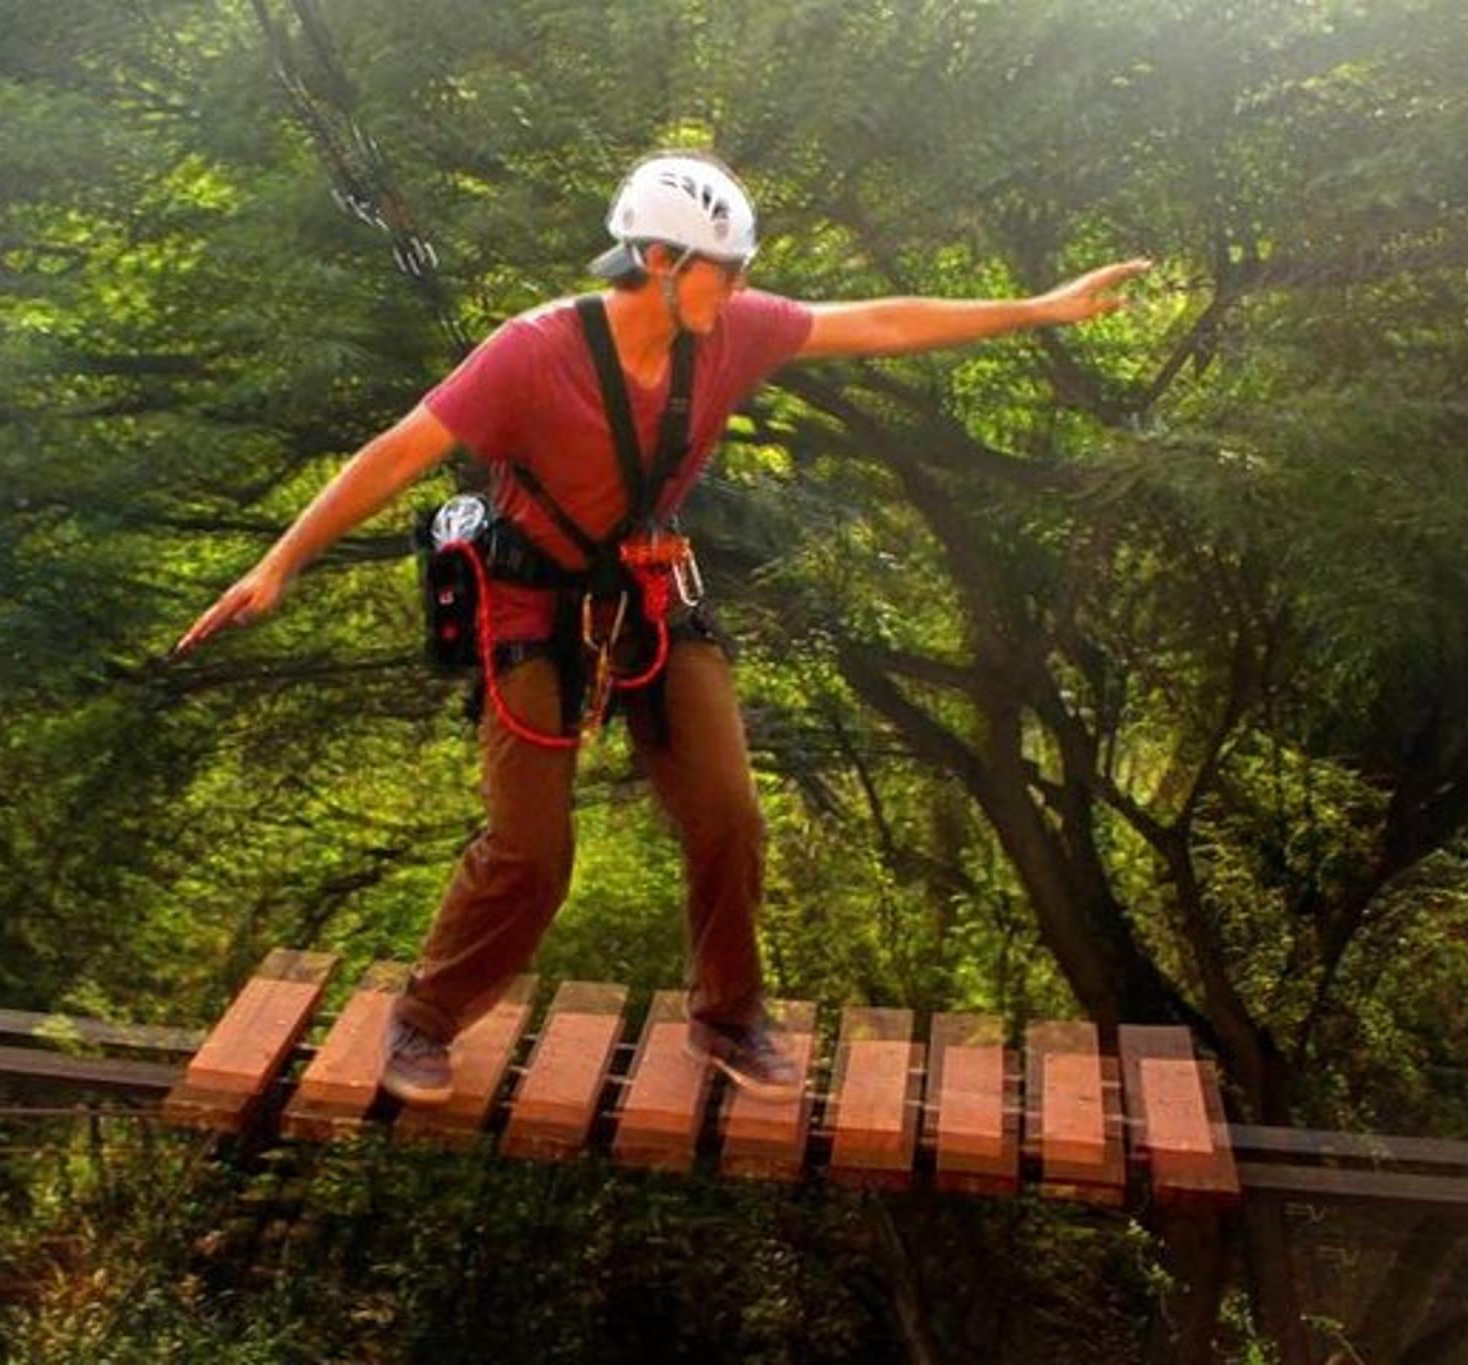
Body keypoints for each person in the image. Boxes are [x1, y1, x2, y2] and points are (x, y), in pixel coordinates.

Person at [173, 150, 1151, 1106]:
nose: (741, 287)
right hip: (528, 603)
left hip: (648, 592)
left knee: (727, 814)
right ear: (659, 263)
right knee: (531, 855)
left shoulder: (730, 331)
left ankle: (728, 1019)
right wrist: (279, 561)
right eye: (727, 270)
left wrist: (1037, 308)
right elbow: (399, 453)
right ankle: (422, 1021)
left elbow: (880, 324)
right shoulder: (532, 351)